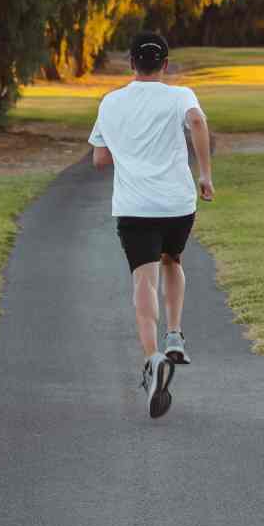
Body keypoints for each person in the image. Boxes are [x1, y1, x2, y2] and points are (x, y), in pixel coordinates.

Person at [88, 33, 215, 419]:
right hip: (177, 204)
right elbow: (196, 120)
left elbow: (99, 159)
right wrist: (205, 174)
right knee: (172, 259)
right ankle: (175, 334)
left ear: (131, 64)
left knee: (143, 279)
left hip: (134, 206)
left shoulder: (111, 102)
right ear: (166, 65)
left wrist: (128, 151)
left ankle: (152, 358)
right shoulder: (180, 96)